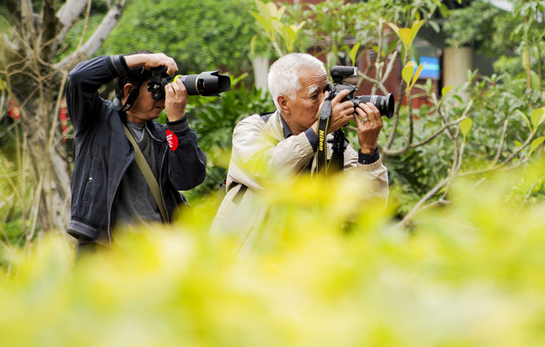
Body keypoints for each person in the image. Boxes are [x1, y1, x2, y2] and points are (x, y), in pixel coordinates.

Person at [211, 53, 389, 243]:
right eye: (314, 96)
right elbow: (267, 171)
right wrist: (320, 129)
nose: (326, 101)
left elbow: (367, 210)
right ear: (284, 103)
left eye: (327, 91)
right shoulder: (252, 129)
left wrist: (369, 151)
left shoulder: (335, 148)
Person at [65, 52, 208, 247]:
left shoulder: (163, 135)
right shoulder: (96, 122)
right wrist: (143, 60)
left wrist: (178, 123)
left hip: (155, 255)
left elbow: (188, 180)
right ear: (128, 90)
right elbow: (78, 78)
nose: (161, 96)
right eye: (154, 89)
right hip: (107, 254)